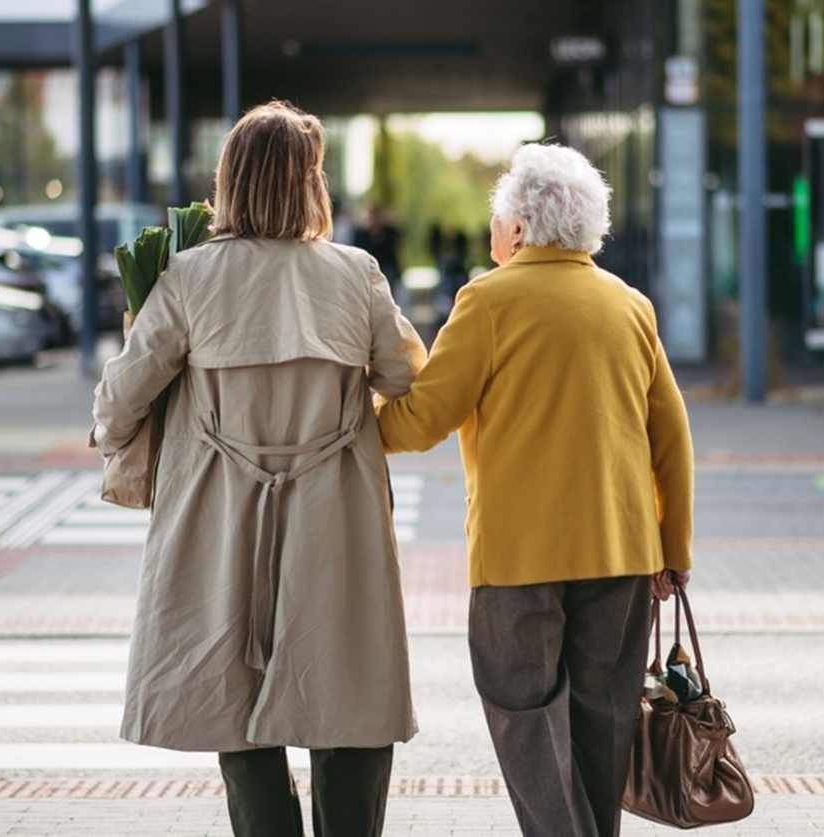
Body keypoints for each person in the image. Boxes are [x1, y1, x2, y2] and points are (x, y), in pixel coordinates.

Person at [91, 100, 426, 837]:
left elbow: (119, 400)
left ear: (230, 182)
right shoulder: (355, 272)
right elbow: (406, 376)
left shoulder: (188, 276)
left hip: (220, 516)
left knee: (235, 706)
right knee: (349, 695)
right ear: (309, 184)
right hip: (334, 515)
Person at [376, 143, 695, 837]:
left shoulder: (487, 301)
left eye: (497, 219)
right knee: (605, 718)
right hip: (622, 553)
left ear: (518, 229)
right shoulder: (630, 306)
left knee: (524, 715)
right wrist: (673, 550)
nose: (493, 231)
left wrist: (352, 420)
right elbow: (670, 436)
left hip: (518, 560)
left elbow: (422, 419)